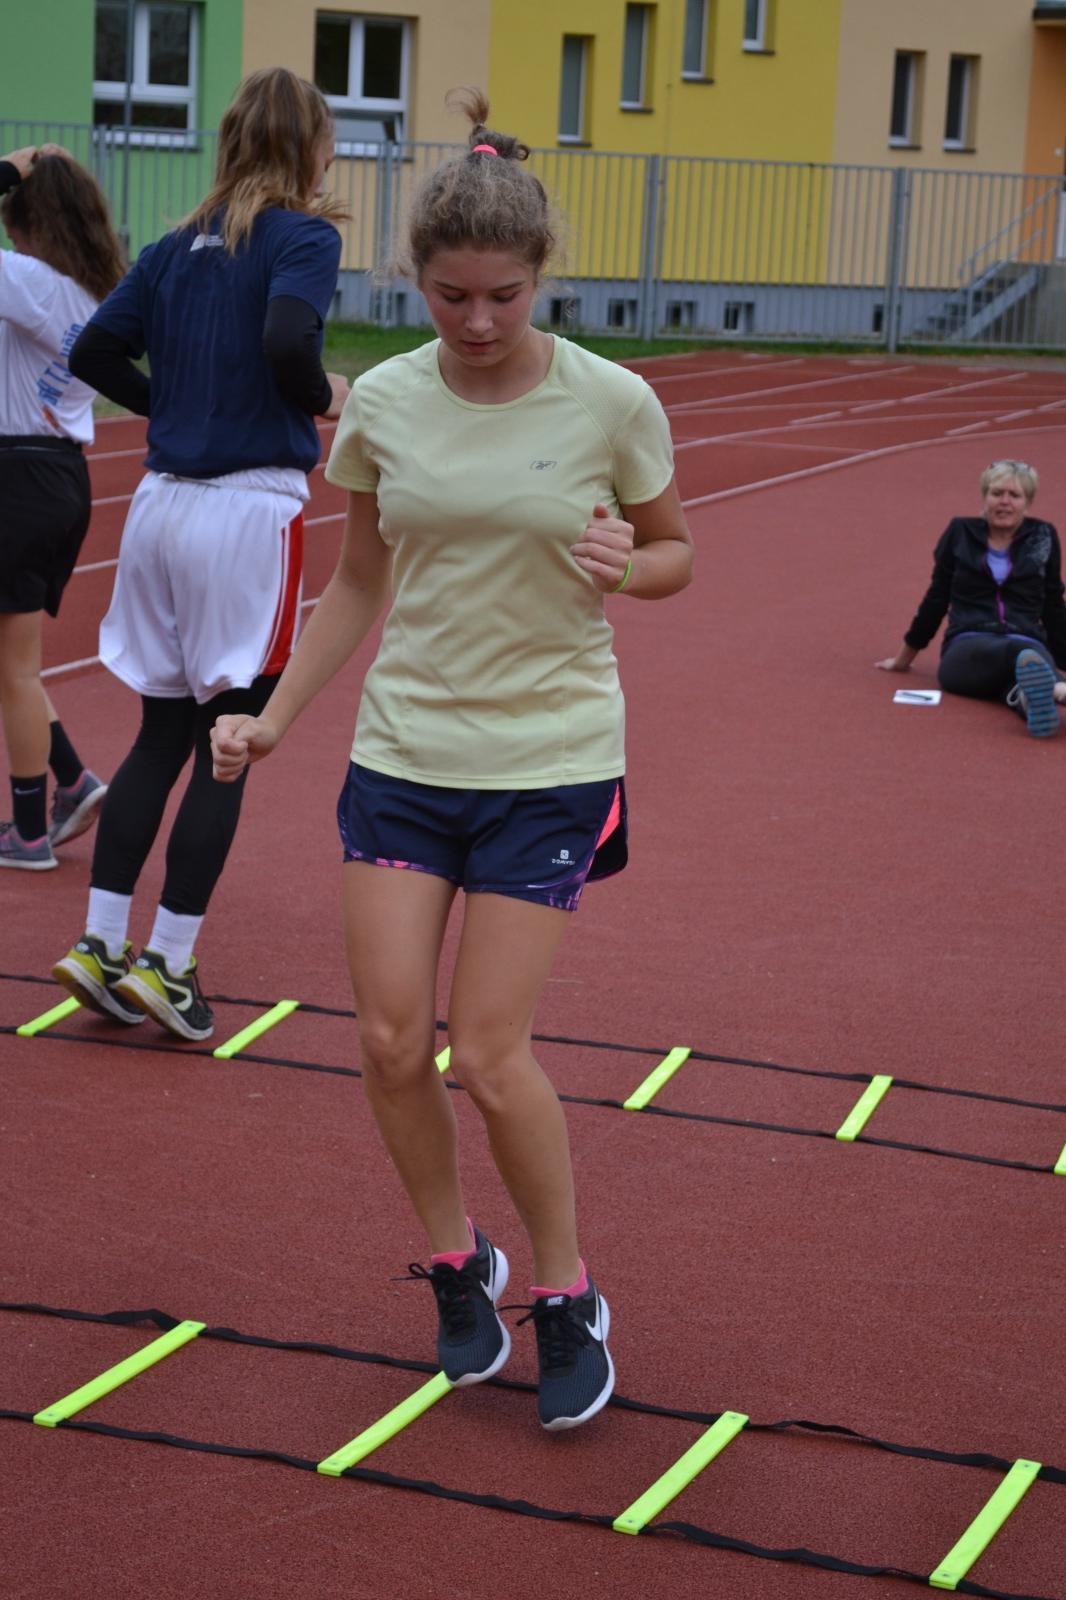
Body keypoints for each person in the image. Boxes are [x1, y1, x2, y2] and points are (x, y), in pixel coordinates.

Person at [211, 90, 694, 1430]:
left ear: (541, 278)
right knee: (384, 1040)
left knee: (484, 1053)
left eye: (502, 297)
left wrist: (631, 564)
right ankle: (453, 1260)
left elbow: (674, 551)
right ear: (413, 280)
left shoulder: (611, 399)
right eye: (449, 297)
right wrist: (272, 716)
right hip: (405, 752)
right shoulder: (384, 402)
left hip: (549, 754)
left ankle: (565, 1290)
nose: (476, 322)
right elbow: (359, 581)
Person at [51, 67, 350, 1040]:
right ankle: (170, 964)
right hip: (245, 512)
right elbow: (289, 337)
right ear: (312, 148)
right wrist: (321, 396)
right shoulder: (303, 236)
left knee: (159, 734)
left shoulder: (173, 246)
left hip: (160, 506)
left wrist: (170, 407)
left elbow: (93, 352)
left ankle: (101, 944)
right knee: (232, 743)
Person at [0, 146, 125, 870]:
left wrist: (7, 168)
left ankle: (26, 831)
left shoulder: (32, 282)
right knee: (10, 660)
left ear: (31, 221)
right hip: (58, 475)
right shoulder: (90, 290)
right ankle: (72, 780)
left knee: (16, 668)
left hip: (19, 478)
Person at [876, 460, 1066, 737]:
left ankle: (1028, 700)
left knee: (1023, 670)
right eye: (997, 493)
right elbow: (937, 596)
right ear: (984, 496)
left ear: (1027, 503)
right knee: (1021, 656)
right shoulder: (960, 532)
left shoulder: (1043, 536)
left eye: (1014, 495)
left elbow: (1053, 604)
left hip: (1026, 637)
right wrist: (903, 658)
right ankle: (1057, 689)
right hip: (967, 647)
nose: (1004, 502)